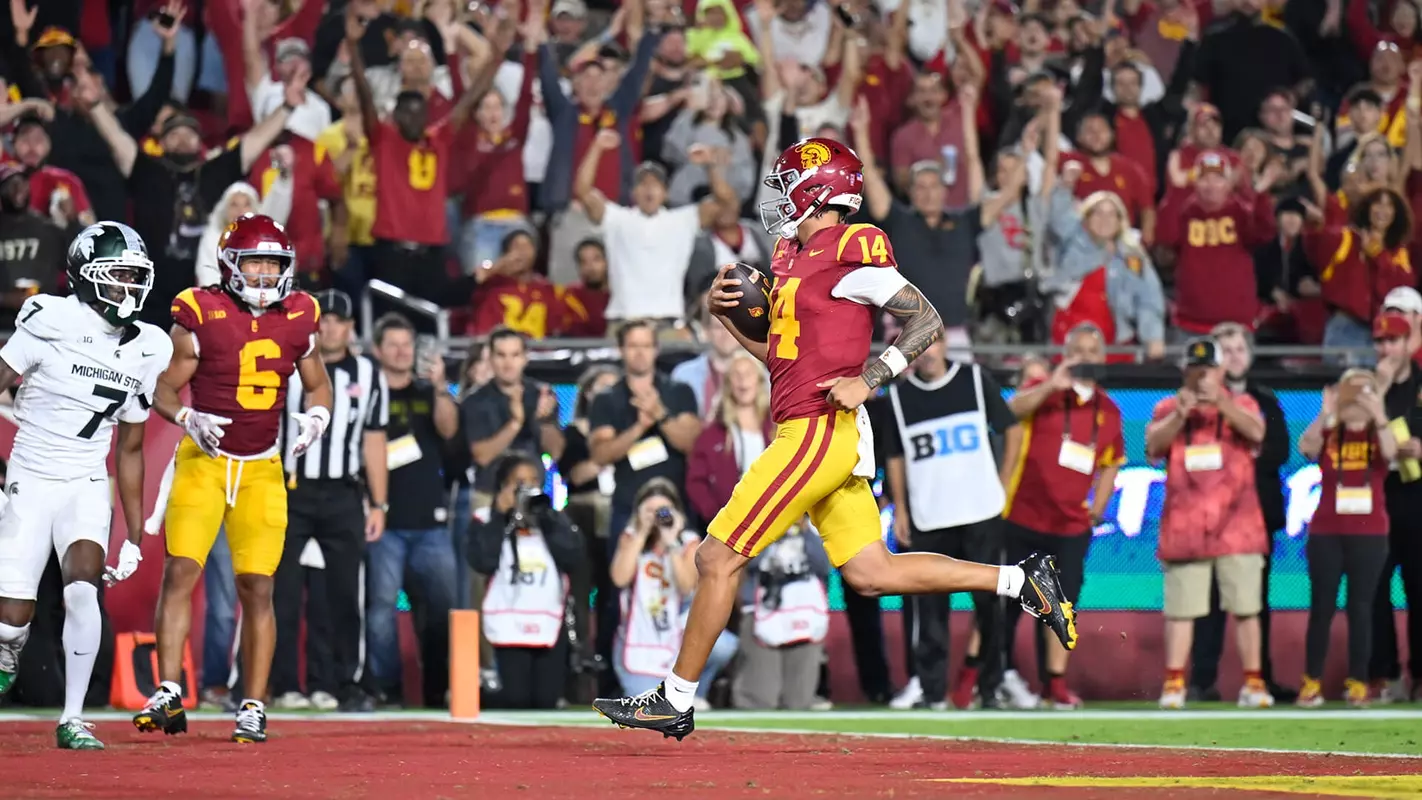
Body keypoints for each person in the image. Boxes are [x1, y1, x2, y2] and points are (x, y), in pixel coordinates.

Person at [592, 137, 1076, 738]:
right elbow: (782, 358)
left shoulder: (854, 244)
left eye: (787, 184)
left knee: (716, 556)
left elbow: (924, 318)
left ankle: (675, 696)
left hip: (818, 431)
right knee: (873, 572)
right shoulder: (792, 255)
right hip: (816, 424)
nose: (778, 199)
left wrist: (872, 377)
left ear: (817, 189)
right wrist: (728, 322)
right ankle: (1021, 580)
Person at [134, 214, 333, 744]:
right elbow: (163, 389)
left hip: (262, 468)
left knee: (258, 587)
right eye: (256, 263)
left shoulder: (300, 314)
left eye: (275, 264)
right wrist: (185, 419)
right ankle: (170, 691)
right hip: (204, 461)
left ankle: (253, 705)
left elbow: (319, 384)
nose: (266, 275)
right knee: (180, 572)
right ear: (230, 265)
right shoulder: (201, 310)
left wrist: (318, 416)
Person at [0, 222, 171, 749]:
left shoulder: (149, 347)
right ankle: (10, 645)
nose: (130, 288)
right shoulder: (49, 320)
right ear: (86, 278)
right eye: (118, 276)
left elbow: (133, 446)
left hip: (86, 477)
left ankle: (73, 716)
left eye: (135, 277)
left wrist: (136, 533)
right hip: (31, 471)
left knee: (82, 588)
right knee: (12, 617)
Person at [884, 334, 1023, 711]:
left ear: (944, 344)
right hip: (931, 519)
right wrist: (901, 509)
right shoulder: (897, 398)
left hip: (981, 514)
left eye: (931, 344)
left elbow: (1012, 428)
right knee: (929, 612)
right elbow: (895, 457)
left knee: (990, 605)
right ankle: (932, 691)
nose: (926, 354)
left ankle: (990, 687)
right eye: (918, 347)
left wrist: (1004, 482)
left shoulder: (975, 381)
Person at [272, 289, 389, 712]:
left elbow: (375, 439)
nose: (330, 327)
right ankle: (273, 682)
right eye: (324, 319)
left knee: (344, 594)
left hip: (343, 492)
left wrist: (379, 503)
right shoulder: (286, 368)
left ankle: (345, 682)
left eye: (339, 320)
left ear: (351, 327)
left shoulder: (369, 374)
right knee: (277, 592)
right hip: (290, 488)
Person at [1002, 324, 1124, 709]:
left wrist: (1099, 507)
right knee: (1005, 603)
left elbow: (1111, 463)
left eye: (1092, 351)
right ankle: (987, 677)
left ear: (1103, 359)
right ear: (1065, 353)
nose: (1085, 358)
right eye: (1078, 350)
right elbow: (1009, 411)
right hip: (1021, 516)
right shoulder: (1045, 388)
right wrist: (1050, 386)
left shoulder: (1109, 410)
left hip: (1071, 525)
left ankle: (1054, 684)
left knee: (1061, 606)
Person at [1146, 337, 1272, 710]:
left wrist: (1220, 402)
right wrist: (1179, 416)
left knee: (1247, 606)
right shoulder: (1167, 407)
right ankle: (1173, 683)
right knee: (1182, 609)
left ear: (1221, 371)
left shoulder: (1242, 403)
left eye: (1208, 368)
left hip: (1239, 524)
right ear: (1185, 371)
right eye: (1195, 369)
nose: (1202, 376)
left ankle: (1253, 682)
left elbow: (1257, 432)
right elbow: (1153, 447)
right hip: (1186, 525)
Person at [1297, 363, 1397, 707]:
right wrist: (1327, 413)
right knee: (1321, 608)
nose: (1357, 397)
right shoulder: (1330, 431)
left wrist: (1378, 413)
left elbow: (1393, 454)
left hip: (1370, 533)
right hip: (1327, 530)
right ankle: (1311, 682)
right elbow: (1307, 447)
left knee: (1362, 607)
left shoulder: (1380, 430)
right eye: (1351, 390)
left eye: (1364, 389)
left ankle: (1358, 682)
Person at [470, 451, 583, 709]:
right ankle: (476, 693)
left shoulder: (553, 519)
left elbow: (573, 557)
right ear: (502, 486)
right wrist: (500, 513)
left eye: (533, 482)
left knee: (546, 701)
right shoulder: (486, 520)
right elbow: (483, 561)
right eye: (519, 482)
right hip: (508, 623)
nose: (527, 488)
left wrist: (546, 518)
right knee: (515, 700)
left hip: (549, 623)